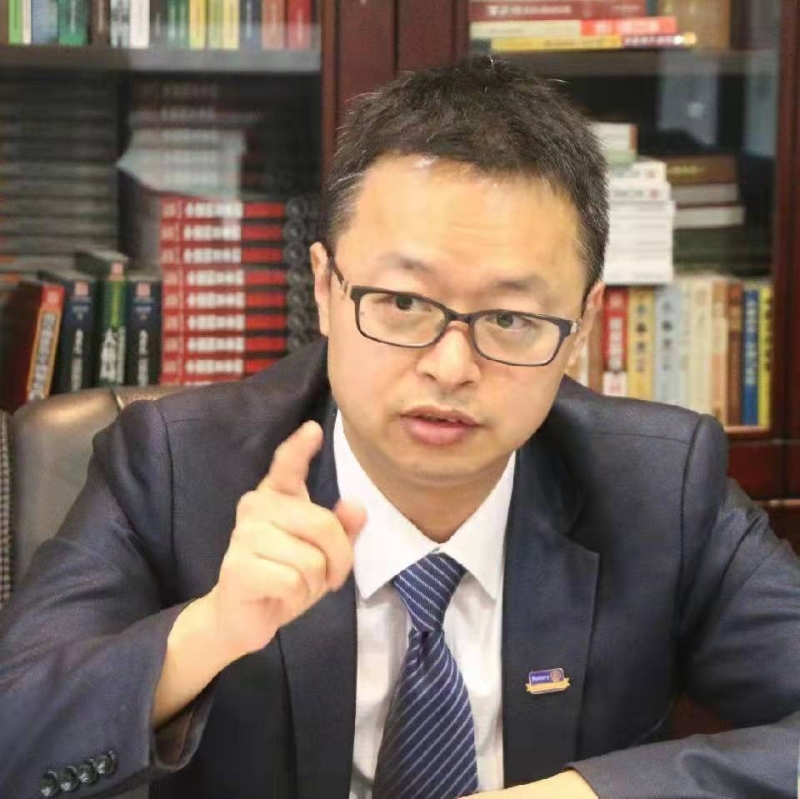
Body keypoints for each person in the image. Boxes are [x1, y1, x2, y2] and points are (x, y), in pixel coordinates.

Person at [1, 55, 799, 799]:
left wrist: (586, 794)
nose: (451, 367)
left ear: (582, 325)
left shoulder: (661, 487)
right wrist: (206, 631)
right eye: (404, 303)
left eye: (511, 317)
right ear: (325, 287)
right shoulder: (175, 466)